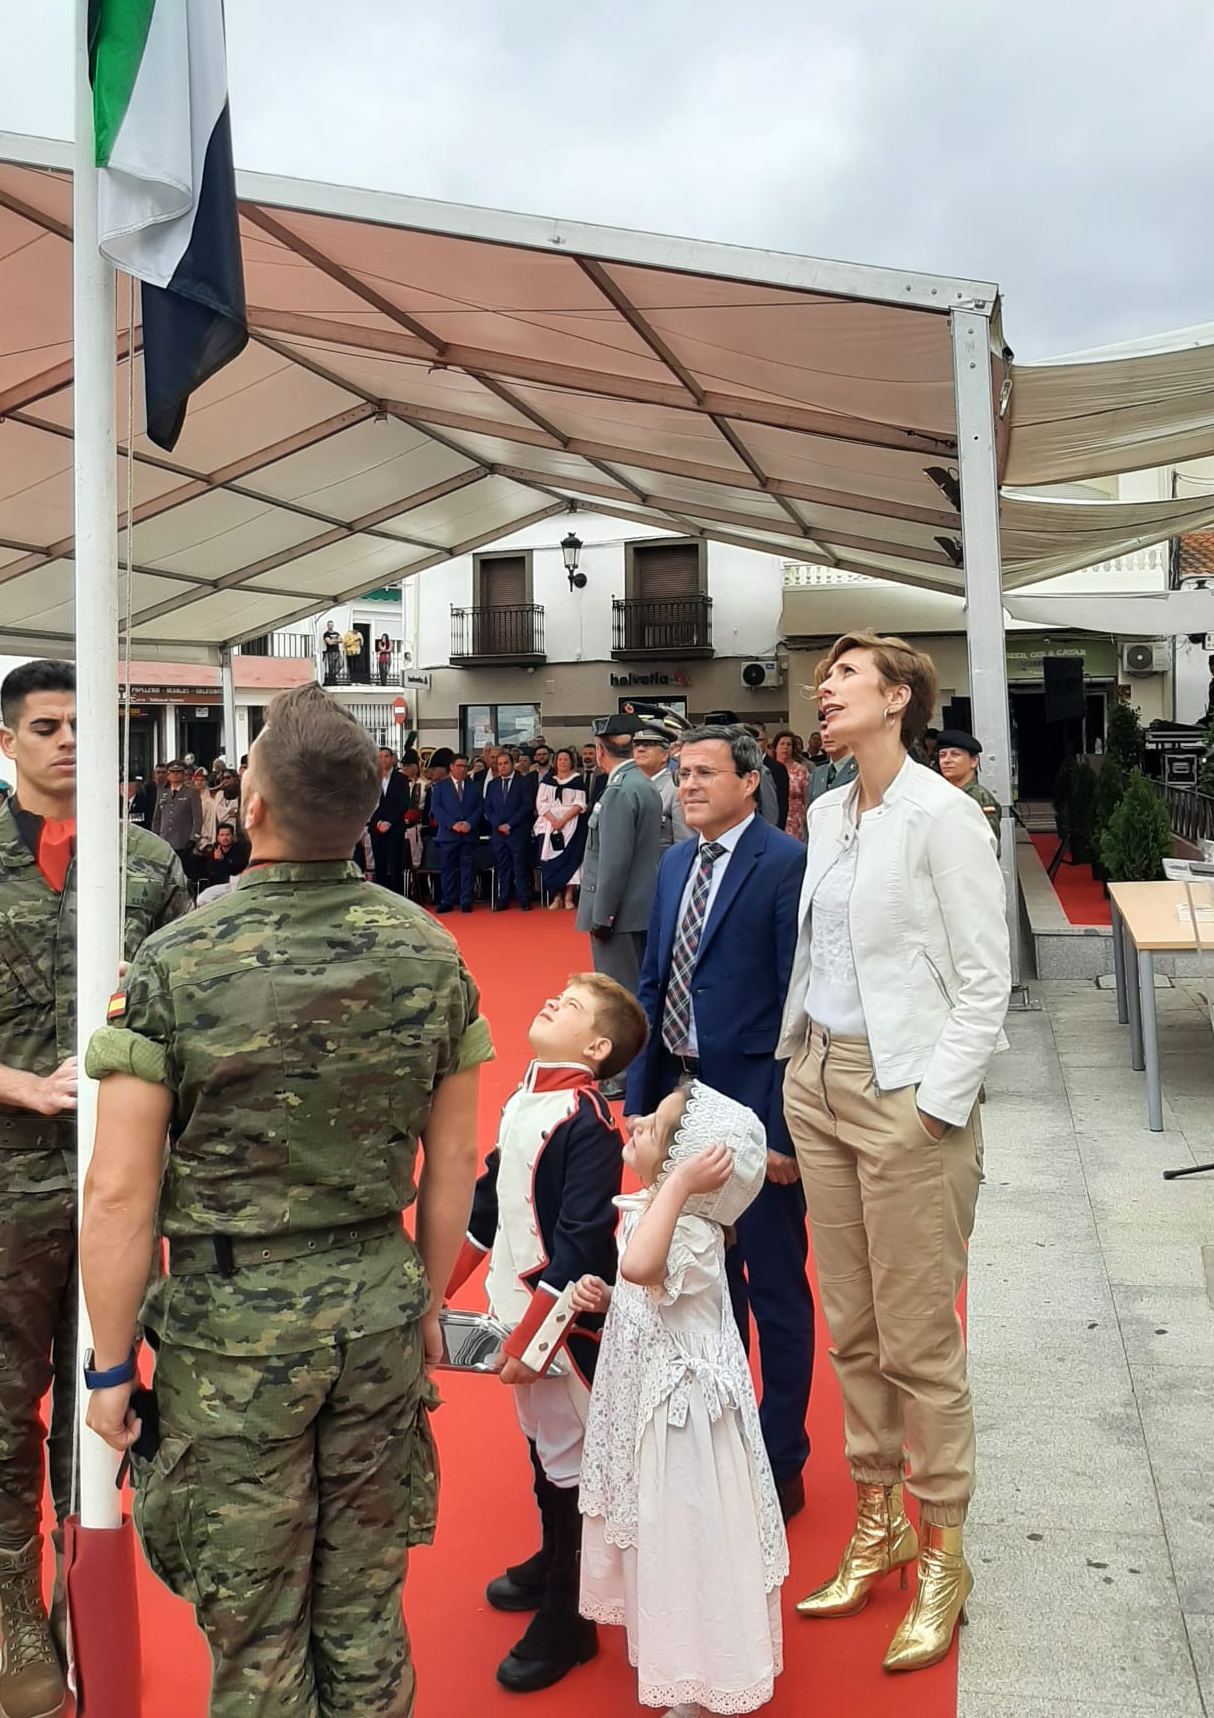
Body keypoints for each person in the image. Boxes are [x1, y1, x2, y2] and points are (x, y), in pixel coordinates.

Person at [80, 683, 493, 1717]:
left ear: (252, 807)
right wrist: (427, 1302)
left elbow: (119, 1190)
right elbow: (453, 1168)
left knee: (257, 1629)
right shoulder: (429, 952)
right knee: (363, 1609)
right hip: (380, 1311)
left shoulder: (177, 961)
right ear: (361, 816)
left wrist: (109, 1363)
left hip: (233, 1334)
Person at [0, 659, 189, 1718]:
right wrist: (29, 1088)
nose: (68, 742)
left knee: (101, 1384)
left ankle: (81, 1581)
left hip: (123, 1180)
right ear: (6, 743)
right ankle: (21, 1615)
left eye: (83, 726)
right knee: (8, 1397)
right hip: (7, 1178)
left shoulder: (150, 868)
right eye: (46, 726)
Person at [779, 631, 1008, 1675]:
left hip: (903, 1090)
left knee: (920, 1337)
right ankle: (880, 1519)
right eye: (823, 681)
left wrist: (933, 1107)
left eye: (844, 680)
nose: (823, 693)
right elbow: (820, 950)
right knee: (853, 1324)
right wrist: (797, 1070)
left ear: (899, 699)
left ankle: (946, 1550)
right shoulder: (828, 810)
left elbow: (983, 979)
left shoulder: (945, 816)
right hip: (818, 1081)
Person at [629, 723, 812, 1518]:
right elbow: (652, 979)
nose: (689, 783)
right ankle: (720, 1438)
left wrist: (776, 1131)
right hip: (679, 1095)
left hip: (749, 1104)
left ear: (750, 783)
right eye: (683, 771)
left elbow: (792, 1001)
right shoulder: (674, 862)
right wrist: (641, 1097)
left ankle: (782, 1457)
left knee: (773, 1282)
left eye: (705, 772)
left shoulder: (784, 864)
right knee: (704, 1282)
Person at [446, 974, 647, 1693]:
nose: (551, 1002)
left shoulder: (589, 1121)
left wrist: (534, 1343)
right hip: (523, 1316)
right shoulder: (529, 1096)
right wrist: (433, 1285)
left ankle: (573, 1608)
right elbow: (487, 1211)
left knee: (570, 1459)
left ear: (596, 1048)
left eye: (571, 1006)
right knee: (544, 1446)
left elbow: (583, 1240)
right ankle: (555, 1557)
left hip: (563, 1331)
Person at [578, 1081, 789, 1717]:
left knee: (685, 1536)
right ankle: (678, 1653)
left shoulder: (689, 1229)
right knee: (659, 1533)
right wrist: (612, 1301)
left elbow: (646, 1269)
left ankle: (703, 1676)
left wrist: (676, 1188)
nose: (635, 1120)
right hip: (656, 1403)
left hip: (684, 1423)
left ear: (686, 1172)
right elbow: (649, 1296)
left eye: (656, 1126)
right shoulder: (658, 1210)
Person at [576, 715, 663, 998]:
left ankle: (635, 1044)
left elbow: (613, 862)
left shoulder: (618, 790)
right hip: (640, 906)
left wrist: (603, 916)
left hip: (619, 913)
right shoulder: (643, 783)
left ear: (600, 750)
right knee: (639, 986)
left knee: (620, 995)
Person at [536, 748, 589, 910]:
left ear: (572, 762)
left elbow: (580, 803)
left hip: (571, 824)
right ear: (555, 761)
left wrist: (563, 820)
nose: (563, 762)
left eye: (566, 759)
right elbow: (540, 803)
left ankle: (568, 896)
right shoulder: (547, 780)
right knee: (551, 861)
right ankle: (556, 896)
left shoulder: (577, 780)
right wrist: (553, 820)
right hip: (549, 825)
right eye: (560, 759)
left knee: (570, 859)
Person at [430, 752, 482, 913]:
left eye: (465, 766)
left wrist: (469, 823)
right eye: (459, 766)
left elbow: (480, 807)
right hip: (448, 834)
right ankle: (447, 900)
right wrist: (452, 824)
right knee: (447, 869)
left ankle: (465, 899)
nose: (463, 769)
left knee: (467, 868)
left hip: (468, 833)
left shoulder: (474, 786)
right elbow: (436, 809)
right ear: (451, 767)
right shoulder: (440, 786)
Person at [484, 747, 536, 912]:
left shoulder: (524, 782)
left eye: (506, 763)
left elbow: (526, 806)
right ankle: (503, 898)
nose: (503, 767)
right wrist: (498, 825)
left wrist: (510, 825)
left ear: (513, 764)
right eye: (500, 764)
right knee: (502, 866)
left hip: (517, 831)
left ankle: (523, 898)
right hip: (498, 832)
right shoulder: (492, 784)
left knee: (520, 865)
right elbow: (488, 807)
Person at [633, 721, 692, 850]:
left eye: (648, 745)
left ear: (665, 755)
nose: (640, 749)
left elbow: (685, 846)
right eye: (636, 745)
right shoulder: (631, 788)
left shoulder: (675, 790)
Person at [935, 730, 1001, 842]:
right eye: (942, 755)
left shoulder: (980, 797)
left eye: (955, 755)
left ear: (974, 761)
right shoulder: (940, 793)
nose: (946, 760)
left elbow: (989, 845)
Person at [370, 746, 412, 891]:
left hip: (395, 827)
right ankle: (382, 896)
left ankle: (398, 897)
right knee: (379, 864)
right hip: (376, 827)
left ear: (393, 759)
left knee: (395, 865)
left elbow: (403, 804)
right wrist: (379, 822)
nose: (383, 760)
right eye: (379, 757)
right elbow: (368, 803)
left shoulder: (401, 779)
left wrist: (389, 821)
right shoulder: (371, 779)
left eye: (386, 756)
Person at [154, 761, 203, 863]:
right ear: (168, 774)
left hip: (183, 841)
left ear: (184, 774)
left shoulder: (191, 793)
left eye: (179, 772)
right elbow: (157, 818)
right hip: (165, 840)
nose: (175, 774)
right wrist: (155, 836)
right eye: (172, 772)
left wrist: (194, 838)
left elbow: (198, 819)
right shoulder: (162, 793)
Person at [774, 734, 810, 842]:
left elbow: (807, 798)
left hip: (796, 823)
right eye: (782, 744)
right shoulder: (769, 770)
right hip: (775, 820)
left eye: (789, 744)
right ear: (775, 748)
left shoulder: (801, 770)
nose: (785, 747)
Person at [758, 727, 790, 833]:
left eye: (759, 740)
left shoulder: (777, 768)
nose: (756, 743)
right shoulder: (743, 766)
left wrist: (778, 829)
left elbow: (782, 802)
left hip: (772, 825)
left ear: (766, 742)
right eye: (753, 739)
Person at [320, 619, 343, 685]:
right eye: (330, 625)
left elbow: (341, 640)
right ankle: (332, 680)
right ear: (327, 626)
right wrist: (336, 640)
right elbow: (329, 642)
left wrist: (333, 640)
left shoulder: (337, 633)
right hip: (330, 652)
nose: (331, 626)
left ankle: (333, 678)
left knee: (340, 665)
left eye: (332, 625)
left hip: (337, 652)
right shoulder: (326, 634)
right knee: (331, 666)